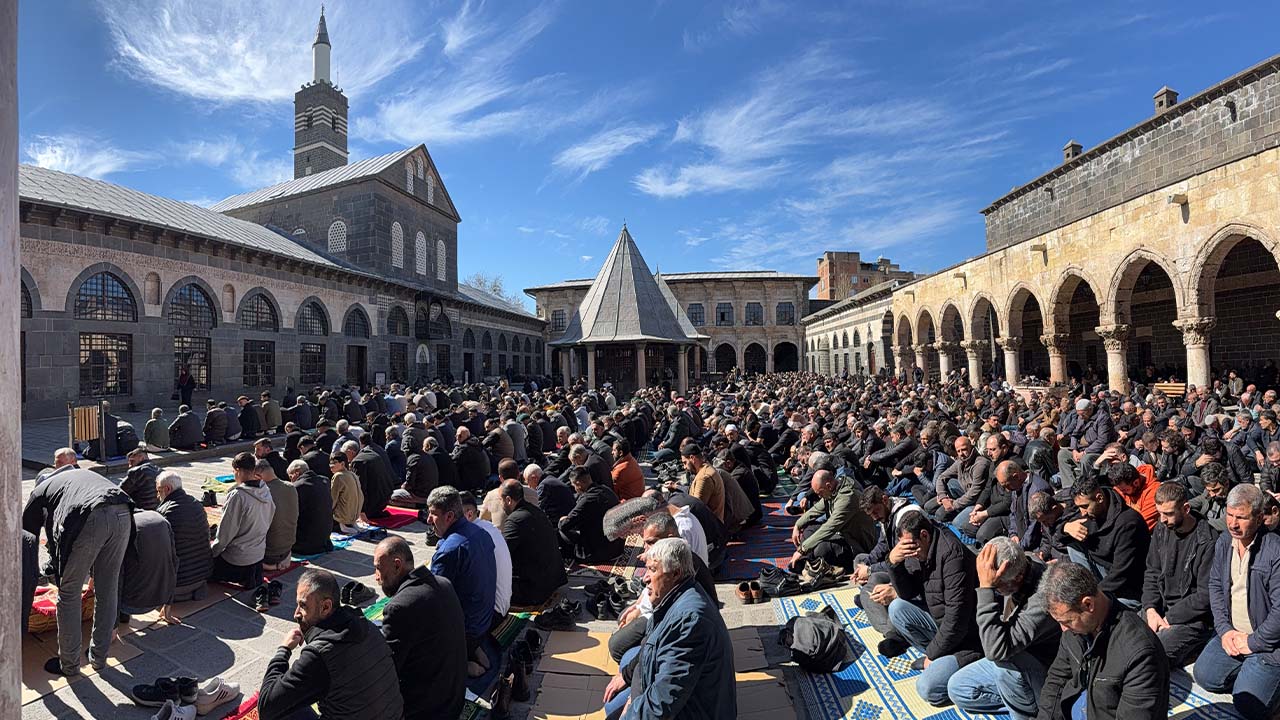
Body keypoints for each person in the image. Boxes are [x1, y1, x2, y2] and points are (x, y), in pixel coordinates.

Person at [602, 538, 735, 720]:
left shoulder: (689, 622)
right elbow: (650, 646)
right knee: (624, 669)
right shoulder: (674, 599)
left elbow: (663, 702)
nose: (644, 578)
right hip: (680, 702)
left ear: (675, 574)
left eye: (653, 570)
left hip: (695, 713)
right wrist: (627, 677)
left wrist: (630, 713)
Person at [22, 467, 134, 676]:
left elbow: (26, 541)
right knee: (107, 588)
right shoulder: (72, 478)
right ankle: (99, 658)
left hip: (92, 515)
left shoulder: (39, 492)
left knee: (69, 594)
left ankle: (69, 664)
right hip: (124, 509)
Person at [257, 568, 404, 720]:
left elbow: (266, 707)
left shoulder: (321, 654)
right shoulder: (367, 625)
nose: (296, 614)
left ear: (326, 607)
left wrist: (284, 650)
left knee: (282, 708)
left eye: (303, 606)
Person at [1038, 561, 1169, 720]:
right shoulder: (1077, 629)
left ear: (1088, 604)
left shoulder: (1140, 653)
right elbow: (1057, 680)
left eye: (1067, 621)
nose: (1063, 629)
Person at [946, 538, 1059, 720]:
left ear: (1018, 577)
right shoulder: (1023, 562)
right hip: (1013, 653)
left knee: (1005, 664)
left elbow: (995, 651)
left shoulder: (1042, 600)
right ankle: (1017, 699)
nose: (994, 591)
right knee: (958, 688)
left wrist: (986, 590)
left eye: (996, 587)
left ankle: (1030, 712)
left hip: (1039, 667)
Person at [1194, 483, 1280, 719]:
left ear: (1259, 517)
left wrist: (1253, 642)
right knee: (1205, 676)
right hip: (1234, 633)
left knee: (1248, 705)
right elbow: (1216, 587)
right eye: (1230, 515)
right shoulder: (1224, 542)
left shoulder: (1275, 551)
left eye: (1241, 517)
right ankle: (1252, 676)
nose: (1233, 523)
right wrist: (1224, 631)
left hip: (1268, 644)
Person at [885, 511, 982, 706]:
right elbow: (907, 594)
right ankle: (939, 655)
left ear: (924, 535)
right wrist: (894, 563)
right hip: (940, 623)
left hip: (968, 638)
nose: (910, 552)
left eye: (910, 546)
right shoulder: (917, 549)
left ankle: (950, 662)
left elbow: (957, 621)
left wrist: (931, 654)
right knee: (897, 608)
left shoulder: (953, 555)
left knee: (928, 688)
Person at [372, 536, 467, 720]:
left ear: (397, 565)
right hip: (454, 699)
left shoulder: (399, 606)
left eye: (378, 568)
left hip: (427, 711)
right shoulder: (444, 583)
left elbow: (388, 670)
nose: (376, 577)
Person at [608, 513, 719, 663]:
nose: (646, 549)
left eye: (651, 542)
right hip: (669, 613)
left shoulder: (676, 562)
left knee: (617, 646)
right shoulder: (671, 555)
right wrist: (638, 605)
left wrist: (631, 670)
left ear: (670, 536)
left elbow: (664, 604)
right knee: (623, 617)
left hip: (678, 622)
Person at [1141, 481, 1217, 667]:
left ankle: (1195, 648)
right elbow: (1152, 571)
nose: (1162, 520)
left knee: (1153, 656)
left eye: (1168, 514)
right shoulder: (1162, 529)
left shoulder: (1208, 541)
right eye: (1160, 513)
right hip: (1161, 608)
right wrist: (1151, 609)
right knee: (1124, 639)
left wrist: (1169, 618)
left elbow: (1205, 596)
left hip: (1192, 618)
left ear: (1186, 508)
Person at [425, 486, 498, 678]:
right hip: (485, 620)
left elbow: (435, 600)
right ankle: (472, 649)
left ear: (449, 517)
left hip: (467, 629)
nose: (428, 520)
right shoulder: (480, 532)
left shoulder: (450, 550)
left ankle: (462, 663)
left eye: (433, 514)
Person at [1058, 475, 1150, 607]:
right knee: (1073, 543)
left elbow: (1121, 574)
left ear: (1099, 498)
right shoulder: (1091, 512)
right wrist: (1066, 528)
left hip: (1129, 589)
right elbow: (1058, 538)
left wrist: (1094, 596)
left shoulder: (1128, 523)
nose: (1082, 513)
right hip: (1103, 574)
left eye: (1084, 506)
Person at [852, 486, 923, 651]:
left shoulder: (906, 519)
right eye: (871, 515)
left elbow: (907, 561)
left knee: (873, 584)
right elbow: (883, 545)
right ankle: (875, 602)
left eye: (876, 512)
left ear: (884, 500)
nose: (875, 517)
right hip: (895, 567)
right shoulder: (886, 516)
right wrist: (867, 564)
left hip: (911, 573)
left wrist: (869, 571)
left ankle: (893, 631)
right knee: (860, 560)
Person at [789, 469, 877, 572]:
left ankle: (811, 561)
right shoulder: (833, 490)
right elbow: (816, 509)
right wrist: (798, 525)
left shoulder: (847, 497)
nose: (819, 496)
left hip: (856, 543)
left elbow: (830, 527)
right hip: (843, 534)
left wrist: (802, 549)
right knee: (810, 529)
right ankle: (805, 562)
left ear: (828, 486)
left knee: (822, 549)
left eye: (820, 493)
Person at [210, 452, 275, 588]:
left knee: (201, 565)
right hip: (257, 556)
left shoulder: (238, 496)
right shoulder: (265, 489)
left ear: (238, 471)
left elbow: (225, 533)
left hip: (237, 559)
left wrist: (212, 552)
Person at [500, 479, 567, 607]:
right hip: (553, 580)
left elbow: (502, 554)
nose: (501, 504)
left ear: (508, 500)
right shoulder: (535, 510)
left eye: (501, 500)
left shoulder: (515, 520)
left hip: (534, 591)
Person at [155, 471, 213, 607]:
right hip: (202, 576)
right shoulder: (196, 504)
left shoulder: (165, 512)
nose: (157, 496)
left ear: (167, 489)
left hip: (178, 581)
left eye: (158, 491)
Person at [118, 508, 178, 624]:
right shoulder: (161, 521)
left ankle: (121, 618)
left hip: (129, 605)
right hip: (159, 600)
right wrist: (167, 611)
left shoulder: (124, 526)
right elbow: (174, 563)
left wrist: (112, 626)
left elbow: (116, 574)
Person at [461, 491, 513, 618]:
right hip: (502, 606)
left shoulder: (472, 537)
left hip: (490, 613)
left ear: (469, 514)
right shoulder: (488, 526)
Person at [559, 465, 624, 563]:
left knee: (560, 531)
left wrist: (562, 519)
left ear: (578, 484)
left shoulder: (587, 500)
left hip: (599, 552)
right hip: (617, 546)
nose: (575, 489)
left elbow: (565, 525)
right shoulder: (606, 490)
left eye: (574, 486)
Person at [287, 459, 333, 557]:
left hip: (305, 544)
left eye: (291, 477)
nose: (291, 480)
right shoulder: (325, 481)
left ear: (297, 473)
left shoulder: (296, 487)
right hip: (325, 540)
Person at [260, 458, 299, 571]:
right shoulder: (291, 487)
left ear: (258, 476)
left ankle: (270, 566)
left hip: (269, 553)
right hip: (287, 549)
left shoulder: (263, 492)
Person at [351, 438, 395, 519]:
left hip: (372, 505)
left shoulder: (358, 461)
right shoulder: (373, 454)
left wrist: (362, 510)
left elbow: (360, 487)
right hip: (384, 498)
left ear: (350, 452)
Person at [329, 451, 364, 534]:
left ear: (342, 464)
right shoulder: (352, 474)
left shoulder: (338, 476)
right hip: (354, 516)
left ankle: (341, 525)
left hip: (342, 518)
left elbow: (332, 500)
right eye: (330, 463)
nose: (331, 466)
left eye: (334, 463)